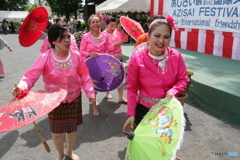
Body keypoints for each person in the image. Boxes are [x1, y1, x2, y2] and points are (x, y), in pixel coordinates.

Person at [12, 24, 96, 160]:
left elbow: (84, 75)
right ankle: (60, 154)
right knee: (57, 133)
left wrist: (90, 94)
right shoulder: (45, 57)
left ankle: (69, 151)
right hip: (53, 100)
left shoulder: (76, 56)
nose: (67, 40)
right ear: (53, 41)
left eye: (69, 36)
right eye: (63, 37)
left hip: (74, 97)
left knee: (72, 128)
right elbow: (30, 75)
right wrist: (22, 87)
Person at [123, 16, 189, 131]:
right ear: (148, 36)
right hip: (144, 110)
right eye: (157, 36)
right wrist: (131, 114)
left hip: (168, 110)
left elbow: (183, 79)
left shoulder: (176, 56)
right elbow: (132, 88)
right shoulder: (138, 58)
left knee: (162, 145)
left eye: (166, 37)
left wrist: (173, 91)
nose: (161, 41)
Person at [79, 14, 108, 116]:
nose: (96, 24)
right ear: (90, 25)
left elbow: (106, 51)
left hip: (100, 66)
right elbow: (81, 51)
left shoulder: (105, 36)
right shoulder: (86, 36)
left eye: (97, 22)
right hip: (88, 65)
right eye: (93, 22)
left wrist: (106, 63)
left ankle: (92, 99)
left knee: (99, 85)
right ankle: (94, 106)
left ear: (100, 23)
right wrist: (89, 54)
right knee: (92, 85)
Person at [102, 16, 128, 103]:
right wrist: (116, 44)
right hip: (109, 58)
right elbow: (104, 48)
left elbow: (126, 39)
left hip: (118, 57)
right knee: (108, 76)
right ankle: (107, 92)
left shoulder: (117, 32)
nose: (113, 28)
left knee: (119, 77)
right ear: (106, 25)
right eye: (111, 25)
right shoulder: (103, 34)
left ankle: (120, 97)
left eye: (115, 25)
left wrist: (122, 32)